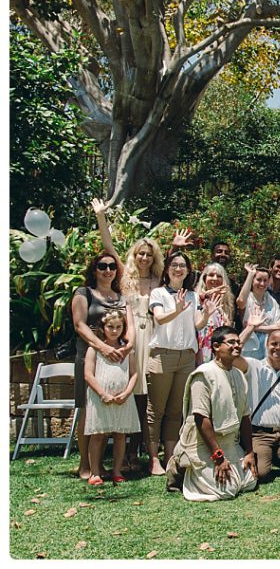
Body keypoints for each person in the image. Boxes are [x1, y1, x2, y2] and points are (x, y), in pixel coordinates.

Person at [92, 198, 164, 472]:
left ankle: (146, 452)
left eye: (149, 254)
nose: (144, 258)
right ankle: (127, 455)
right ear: (134, 256)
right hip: (132, 340)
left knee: (148, 398)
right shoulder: (124, 277)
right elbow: (108, 247)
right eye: (140, 254)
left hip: (155, 339)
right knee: (131, 392)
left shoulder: (160, 280)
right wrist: (101, 217)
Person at [166, 326, 257, 502]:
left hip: (230, 442)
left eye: (238, 342)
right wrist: (218, 457)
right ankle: (181, 466)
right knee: (226, 491)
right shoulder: (203, 374)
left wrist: (249, 452)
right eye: (231, 342)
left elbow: (245, 416)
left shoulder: (239, 374)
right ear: (215, 346)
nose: (237, 346)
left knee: (250, 482)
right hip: (205, 445)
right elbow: (201, 418)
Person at [72, 252, 134, 480]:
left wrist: (127, 347)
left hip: (117, 358)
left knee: (111, 412)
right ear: (94, 269)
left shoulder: (120, 296)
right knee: (88, 411)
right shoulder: (83, 293)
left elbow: (129, 327)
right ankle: (85, 465)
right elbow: (79, 325)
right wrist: (102, 347)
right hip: (90, 355)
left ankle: (101, 465)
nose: (108, 270)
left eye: (112, 266)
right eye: (102, 266)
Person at [149, 251, 211, 477]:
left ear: (188, 270)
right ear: (167, 269)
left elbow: (197, 324)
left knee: (176, 411)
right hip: (162, 355)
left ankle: (171, 456)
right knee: (156, 411)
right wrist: (175, 309)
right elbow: (159, 318)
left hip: (186, 356)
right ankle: (154, 459)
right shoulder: (158, 293)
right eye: (174, 265)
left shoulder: (192, 296)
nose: (178, 269)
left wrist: (206, 314)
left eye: (183, 266)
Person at [233, 329, 280, 482]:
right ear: (267, 345)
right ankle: (268, 456)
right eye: (274, 344)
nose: (278, 348)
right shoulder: (254, 366)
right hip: (259, 434)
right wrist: (249, 328)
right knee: (261, 474)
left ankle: (277, 455)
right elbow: (233, 357)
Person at [83, 310, 140, 485]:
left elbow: (134, 373)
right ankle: (95, 472)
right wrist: (102, 393)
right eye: (110, 327)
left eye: (118, 327)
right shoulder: (94, 349)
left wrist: (127, 393)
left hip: (122, 398)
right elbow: (88, 374)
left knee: (120, 434)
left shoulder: (127, 350)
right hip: (101, 397)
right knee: (99, 434)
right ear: (103, 328)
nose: (114, 331)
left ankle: (117, 470)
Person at [236, 264, 280, 360]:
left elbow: (279, 326)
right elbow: (240, 301)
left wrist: (254, 327)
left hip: (267, 349)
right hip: (247, 348)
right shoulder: (247, 298)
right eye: (258, 279)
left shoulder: (272, 301)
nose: (262, 284)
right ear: (252, 280)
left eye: (265, 280)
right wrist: (250, 274)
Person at [194, 263, 235, 365]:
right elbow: (197, 326)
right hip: (199, 350)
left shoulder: (227, 302)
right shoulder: (196, 298)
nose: (215, 279)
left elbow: (227, 327)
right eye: (211, 275)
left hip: (219, 350)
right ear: (204, 278)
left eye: (219, 276)